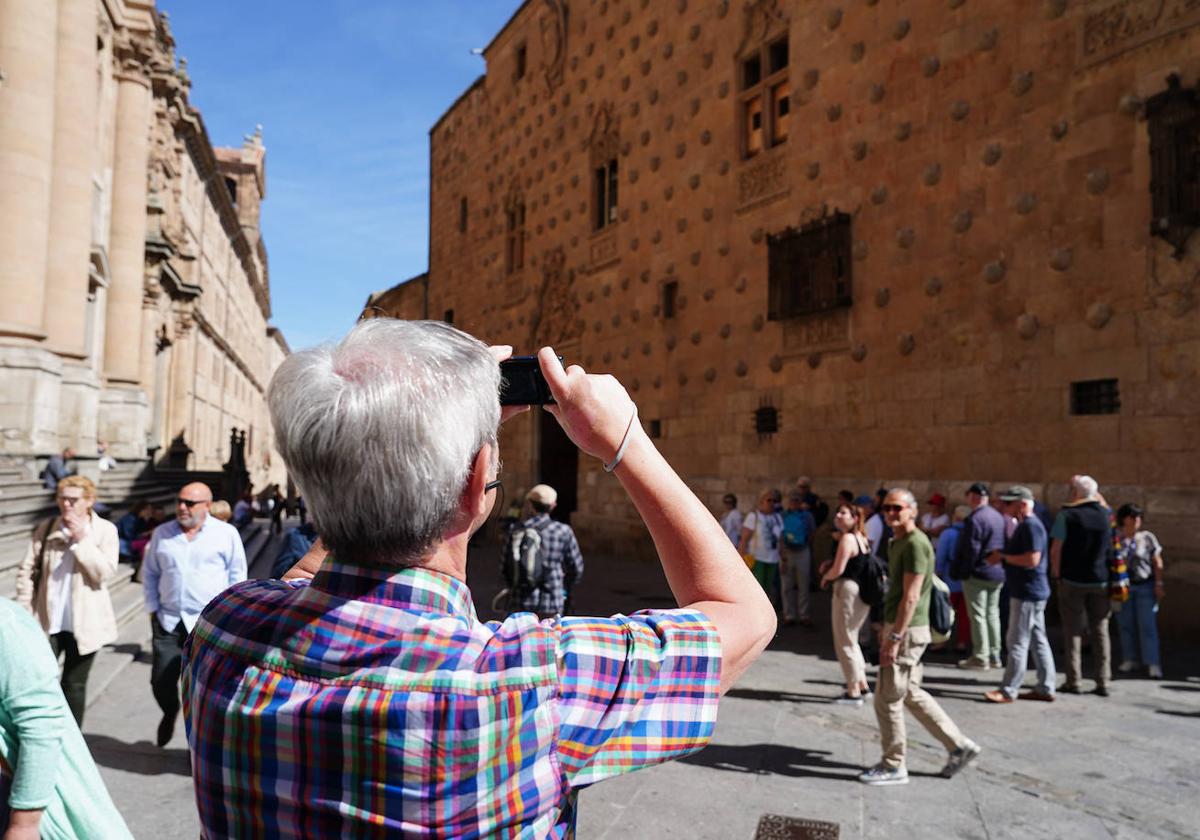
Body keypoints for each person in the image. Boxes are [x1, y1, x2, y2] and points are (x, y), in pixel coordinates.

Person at [181, 322, 775, 837]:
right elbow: (744, 612)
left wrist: (373, 444)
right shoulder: (535, 680)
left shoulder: (224, 632)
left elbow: (305, 574)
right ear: (477, 483)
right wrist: (625, 443)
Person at [859, 489, 981, 786]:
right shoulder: (897, 541)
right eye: (886, 508)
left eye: (897, 508)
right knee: (910, 693)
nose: (890, 513)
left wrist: (894, 637)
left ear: (912, 511)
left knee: (887, 700)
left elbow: (911, 597)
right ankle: (959, 745)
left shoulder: (915, 543)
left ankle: (893, 764)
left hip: (907, 630)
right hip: (902, 627)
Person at [0, 597, 133, 839]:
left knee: (74, 683)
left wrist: (25, 823)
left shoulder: (6, 625)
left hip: (10, 796)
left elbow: (40, 723)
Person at [142, 481, 246, 747]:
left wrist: (231, 617)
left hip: (208, 623)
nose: (182, 507)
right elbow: (151, 572)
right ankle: (169, 710)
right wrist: (153, 609)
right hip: (168, 621)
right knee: (160, 681)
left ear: (207, 506)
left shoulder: (226, 534)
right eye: (180, 500)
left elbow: (237, 577)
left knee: (202, 690)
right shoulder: (162, 533)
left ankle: (196, 745)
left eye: (189, 502)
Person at [13, 476, 120, 726]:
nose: (67, 505)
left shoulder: (104, 531)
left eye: (73, 500)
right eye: (62, 498)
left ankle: (72, 742)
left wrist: (81, 540)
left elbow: (103, 572)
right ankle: (42, 732)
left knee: (74, 684)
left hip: (86, 624)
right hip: (46, 621)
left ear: (89, 501)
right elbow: (27, 571)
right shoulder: (47, 527)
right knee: (39, 681)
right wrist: (24, 610)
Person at [983, 487, 1056, 704]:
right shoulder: (1029, 525)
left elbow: (1032, 560)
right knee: (1037, 639)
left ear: (1022, 504)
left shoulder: (1030, 526)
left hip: (1027, 591)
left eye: (1008, 503)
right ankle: (1045, 686)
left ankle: (1008, 690)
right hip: (1032, 590)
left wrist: (1003, 558)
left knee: (1017, 641)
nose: (1004, 508)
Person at [1050, 475, 1114, 696]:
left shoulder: (1066, 515)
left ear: (1076, 492)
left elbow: (1056, 549)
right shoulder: (1106, 515)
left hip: (1072, 580)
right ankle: (1103, 680)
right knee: (1100, 631)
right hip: (1101, 579)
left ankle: (1073, 679)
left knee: (1072, 631)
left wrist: (1057, 575)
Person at [819, 502, 873, 705]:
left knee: (844, 641)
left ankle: (853, 691)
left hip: (847, 590)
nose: (838, 516)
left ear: (855, 518)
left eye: (844, 513)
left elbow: (839, 569)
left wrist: (826, 577)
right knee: (852, 639)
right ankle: (862, 685)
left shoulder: (848, 538)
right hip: (860, 592)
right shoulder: (862, 538)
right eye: (838, 512)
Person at [503, 484, 583, 618]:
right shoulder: (563, 531)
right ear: (553, 505)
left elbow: (504, 567)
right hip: (552, 601)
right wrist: (563, 586)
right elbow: (576, 568)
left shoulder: (516, 530)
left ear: (530, 505)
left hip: (521, 602)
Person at [954, 482, 1007, 670]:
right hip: (997, 571)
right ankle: (994, 654)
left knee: (977, 615)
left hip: (978, 572)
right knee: (992, 613)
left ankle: (980, 656)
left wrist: (964, 570)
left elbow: (972, 548)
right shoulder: (997, 516)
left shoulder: (975, 518)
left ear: (973, 497)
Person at [1113, 503, 1165, 679]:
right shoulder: (1117, 539)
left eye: (1138, 517)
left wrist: (1159, 583)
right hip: (1124, 587)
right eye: (1132, 516)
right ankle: (1130, 658)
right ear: (1124, 519)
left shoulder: (1147, 538)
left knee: (1147, 625)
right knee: (1125, 624)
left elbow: (1157, 562)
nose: (1136, 520)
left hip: (1144, 585)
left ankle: (1152, 662)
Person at [933, 506, 972, 653]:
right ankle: (962, 642)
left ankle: (941, 641)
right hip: (967, 578)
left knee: (944, 611)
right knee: (964, 614)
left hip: (950, 577)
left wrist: (939, 572)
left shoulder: (948, 533)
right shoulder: (972, 532)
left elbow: (941, 556)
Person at [740, 488, 784, 609]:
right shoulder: (753, 516)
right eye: (769, 500)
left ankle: (763, 611)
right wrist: (741, 558)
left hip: (773, 559)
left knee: (768, 588)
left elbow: (780, 540)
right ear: (762, 501)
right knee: (757, 589)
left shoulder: (777, 518)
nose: (772, 503)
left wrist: (783, 559)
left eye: (775, 501)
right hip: (757, 558)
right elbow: (744, 539)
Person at [780, 489, 815, 626]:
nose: (794, 502)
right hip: (791, 552)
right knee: (788, 585)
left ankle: (799, 615)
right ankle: (791, 615)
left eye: (796, 500)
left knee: (802, 585)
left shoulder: (805, 516)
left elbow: (812, 532)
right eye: (792, 500)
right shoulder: (784, 515)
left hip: (800, 551)